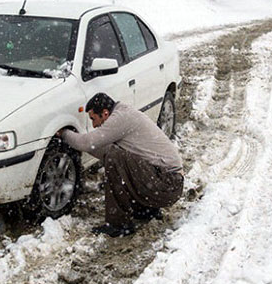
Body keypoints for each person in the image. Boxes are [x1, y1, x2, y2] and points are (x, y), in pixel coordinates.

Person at [58, 93, 184, 237]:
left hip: (167, 185)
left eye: (94, 119)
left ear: (105, 113)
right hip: (165, 182)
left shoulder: (120, 118)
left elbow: (88, 143)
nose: (94, 125)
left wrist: (65, 134)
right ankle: (146, 210)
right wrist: (77, 143)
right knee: (117, 156)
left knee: (115, 158)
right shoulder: (124, 113)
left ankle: (119, 224)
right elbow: (99, 149)